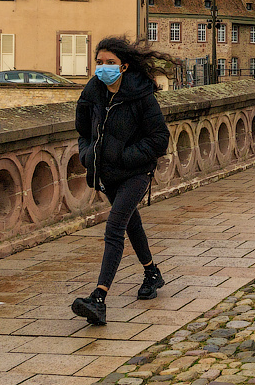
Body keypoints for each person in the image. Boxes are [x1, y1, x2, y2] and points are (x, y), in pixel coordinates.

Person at [71, 36, 174, 326]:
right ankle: (152, 273)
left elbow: (159, 139)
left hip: (136, 172)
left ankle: (99, 298)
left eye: (110, 63)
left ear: (124, 67)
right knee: (131, 223)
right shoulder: (92, 92)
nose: (103, 68)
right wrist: (88, 155)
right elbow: (82, 130)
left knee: (115, 226)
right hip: (106, 173)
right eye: (100, 63)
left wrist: (125, 156)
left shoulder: (141, 96)